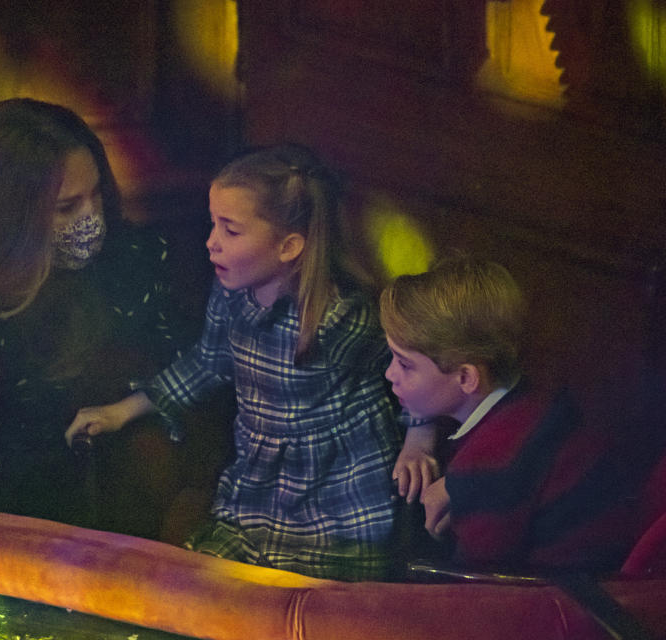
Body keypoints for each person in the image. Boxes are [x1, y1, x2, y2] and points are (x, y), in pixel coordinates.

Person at [66, 143, 433, 581]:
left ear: (288, 246)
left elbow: (410, 373)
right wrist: (121, 411)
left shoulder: (340, 320)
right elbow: (207, 361)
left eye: (231, 230)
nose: (210, 242)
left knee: (307, 607)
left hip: (337, 501)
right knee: (202, 585)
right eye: (212, 224)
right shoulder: (230, 293)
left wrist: (420, 437)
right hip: (257, 490)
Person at [0, 98, 198, 529]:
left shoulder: (134, 264)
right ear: (7, 217)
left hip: (105, 529)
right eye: (66, 207)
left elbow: (192, 382)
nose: (91, 218)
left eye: (95, 195)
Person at [379, 256, 633, 572]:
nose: (391, 374)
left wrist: (465, 490)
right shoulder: (531, 395)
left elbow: (479, 585)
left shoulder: (487, 469)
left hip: (566, 598)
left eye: (405, 364)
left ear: (466, 378)